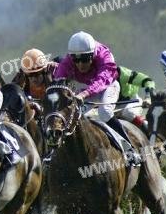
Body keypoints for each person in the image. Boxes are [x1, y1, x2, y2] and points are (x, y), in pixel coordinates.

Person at [53, 31, 141, 166]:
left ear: (93, 55)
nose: (80, 64)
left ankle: (129, 149)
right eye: (76, 60)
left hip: (108, 86)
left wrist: (84, 94)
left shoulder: (104, 55)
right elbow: (57, 82)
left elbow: (102, 81)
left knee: (104, 112)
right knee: (75, 116)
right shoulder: (68, 61)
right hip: (88, 89)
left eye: (85, 59)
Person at [116, 65, 155, 133]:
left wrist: (148, 97)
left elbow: (148, 81)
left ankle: (151, 134)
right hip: (112, 108)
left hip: (131, 101)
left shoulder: (123, 73)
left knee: (127, 112)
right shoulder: (96, 77)